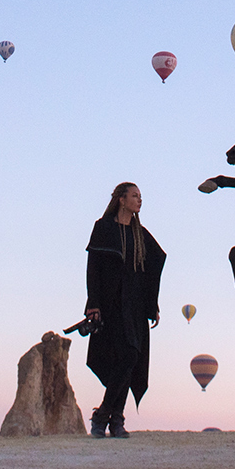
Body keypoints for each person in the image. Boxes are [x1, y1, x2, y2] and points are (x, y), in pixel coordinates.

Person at [83, 182, 166, 438]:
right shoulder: (104, 227)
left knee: (131, 358)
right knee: (125, 357)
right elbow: (93, 267)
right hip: (111, 302)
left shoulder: (140, 233)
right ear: (121, 199)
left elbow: (157, 260)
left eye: (141, 196)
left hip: (136, 304)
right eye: (134, 196)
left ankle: (109, 417)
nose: (139, 200)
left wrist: (152, 304)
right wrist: (93, 304)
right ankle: (112, 417)